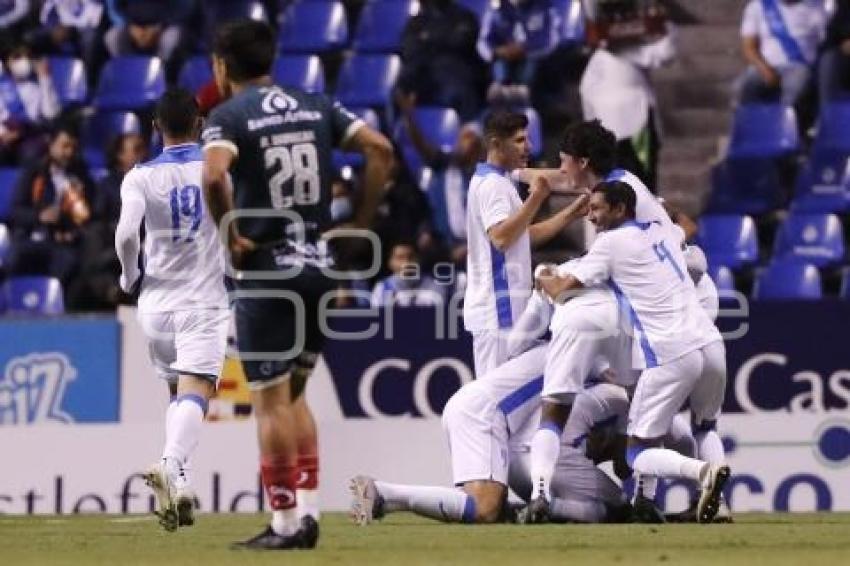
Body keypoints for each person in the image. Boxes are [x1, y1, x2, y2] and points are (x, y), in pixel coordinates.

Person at [201, 19, 394, 550]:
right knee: (295, 396)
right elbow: (380, 149)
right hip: (319, 265)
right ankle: (307, 514)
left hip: (267, 272)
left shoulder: (228, 115)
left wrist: (230, 230)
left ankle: (285, 523)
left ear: (222, 66)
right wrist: (360, 221)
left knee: (269, 403)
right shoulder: (317, 104)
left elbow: (214, 175)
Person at [536, 181, 730, 524]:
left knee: (639, 451)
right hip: (710, 343)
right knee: (705, 427)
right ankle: (714, 503)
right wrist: (663, 206)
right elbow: (687, 225)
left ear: (621, 209)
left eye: (597, 209)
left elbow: (562, 292)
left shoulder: (609, 244)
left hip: (670, 352)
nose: (592, 217)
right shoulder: (660, 230)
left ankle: (703, 473)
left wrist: (542, 276)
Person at [350, 344, 631, 526]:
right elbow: (616, 383)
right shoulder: (579, 353)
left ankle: (383, 498)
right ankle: (382, 492)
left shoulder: (563, 348)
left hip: (477, 409)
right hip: (484, 415)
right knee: (484, 509)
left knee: (489, 510)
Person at [114, 88, 228, 531]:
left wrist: (128, 277)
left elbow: (126, 235)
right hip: (202, 301)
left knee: (178, 396)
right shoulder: (217, 170)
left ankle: (178, 484)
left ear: (155, 127)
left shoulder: (140, 176)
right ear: (200, 124)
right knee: (196, 392)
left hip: (156, 304)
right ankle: (170, 462)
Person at [464, 109, 587, 377]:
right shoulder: (492, 186)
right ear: (496, 144)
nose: (528, 147)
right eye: (519, 141)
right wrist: (536, 199)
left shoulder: (502, 177)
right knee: (493, 405)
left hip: (507, 311)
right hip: (498, 313)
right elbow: (501, 238)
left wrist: (571, 213)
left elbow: (523, 237)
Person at [396, 91, 482, 267]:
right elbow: (421, 146)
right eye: (461, 137)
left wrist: (470, 248)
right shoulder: (443, 163)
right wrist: (409, 116)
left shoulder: (486, 177)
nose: (461, 143)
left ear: (479, 148)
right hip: (442, 245)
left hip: (477, 248)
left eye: (468, 139)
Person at [8, 124, 94, 298]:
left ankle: (53, 310)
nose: (69, 152)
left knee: (71, 262)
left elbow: (88, 214)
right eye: (64, 146)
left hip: (62, 243)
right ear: (51, 145)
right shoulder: (34, 171)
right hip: (32, 238)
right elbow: (15, 211)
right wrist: (40, 216)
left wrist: (72, 230)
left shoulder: (80, 173)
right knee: (15, 258)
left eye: (73, 147)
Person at [397, 0, 488, 121]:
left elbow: (460, 42)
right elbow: (409, 50)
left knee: (456, 92)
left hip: (456, 76)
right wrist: (438, 40)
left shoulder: (465, 17)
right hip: (424, 78)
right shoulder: (416, 23)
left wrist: (428, 39)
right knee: (400, 91)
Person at [737, 0, 827, 106]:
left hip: (799, 67)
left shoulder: (815, 6)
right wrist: (765, 70)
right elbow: (749, 47)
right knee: (743, 86)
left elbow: (824, 43)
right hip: (765, 66)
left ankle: (785, 119)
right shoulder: (757, 6)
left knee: (796, 88)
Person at [477, 0, 561, 103]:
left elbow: (551, 40)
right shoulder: (496, 9)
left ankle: (523, 95)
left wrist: (526, 50)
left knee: (531, 64)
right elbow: (483, 42)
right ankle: (500, 92)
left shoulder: (543, 7)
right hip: (503, 58)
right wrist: (495, 52)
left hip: (533, 59)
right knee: (499, 64)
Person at [0, 44, 61, 165]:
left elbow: (51, 114)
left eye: (27, 57)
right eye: (17, 57)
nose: (23, 61)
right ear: (7, 62)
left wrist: (45, 79)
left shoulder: (38, 87)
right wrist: (3, 133)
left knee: (31, 154)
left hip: (31, 135)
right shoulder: (3, 87)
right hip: (5, 134)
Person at [371, 241, 447, 307]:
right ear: (390, 263)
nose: (406, 262)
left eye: (411, 257)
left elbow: (438, 320)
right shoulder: (382, 288)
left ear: (419, 259)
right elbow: (379, 321)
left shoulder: (435, 286)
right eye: (400, 258)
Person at [818, 0, 850, 106]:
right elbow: (830, 35)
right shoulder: (841, 5)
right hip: (838, 53)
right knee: (828, 60)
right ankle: (827, 117)